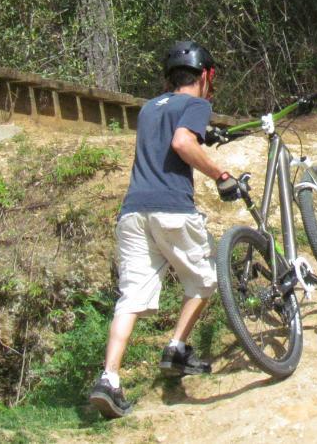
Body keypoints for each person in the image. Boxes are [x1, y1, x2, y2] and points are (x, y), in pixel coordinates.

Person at [89, 40, 242, 419]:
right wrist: (221, 175)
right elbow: (181, 140)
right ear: (205, 75)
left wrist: (206, 137)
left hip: (132, 214)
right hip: (172, 210)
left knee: (132, 298)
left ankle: (109, 378)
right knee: (205, 280)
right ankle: (176, 348)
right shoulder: (197, 104)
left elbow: (170, 136)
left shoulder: (148, 108)